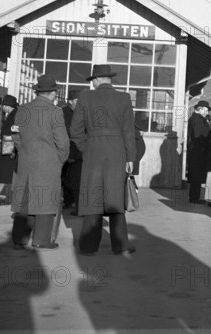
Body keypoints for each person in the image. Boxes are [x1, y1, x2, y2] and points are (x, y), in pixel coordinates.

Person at [70, 64, 136, 256]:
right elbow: (128, 132)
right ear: (109, 79)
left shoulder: (85, 97)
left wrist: (86, 148)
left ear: (96, 80)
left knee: (93, 198)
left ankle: (89, 247)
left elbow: (75, 130)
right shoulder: (124, 98)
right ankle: (121, 246)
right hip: (117, 153)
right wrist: (130, 157)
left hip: (93, 152)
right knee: (115, 197)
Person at [11, 75, 70, 249]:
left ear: (38, 92)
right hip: (48, 163)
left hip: (26, 161)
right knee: (45, 202)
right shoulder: (55, 111)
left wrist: (24, 151)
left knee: (24, 201)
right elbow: (63, 142)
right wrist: (59, 160)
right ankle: (41, 240)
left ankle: (19, 239)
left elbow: (15, 134)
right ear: (52, 93)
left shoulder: (23, 109)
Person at [0, 94, 19, 202]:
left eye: (3, 105)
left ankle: (8, 196)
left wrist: (10, 150)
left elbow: (14, 132)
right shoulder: (13, 114)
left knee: (7, 172)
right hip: (8, 146)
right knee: (6, 172)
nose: (2, 108)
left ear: (7, 106)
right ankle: (2, 194)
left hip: (9, 148)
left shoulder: (14, 115)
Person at [186, 100, 211, 204]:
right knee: (196, 174)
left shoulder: (196, 119)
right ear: (200, 109)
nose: (207, 112)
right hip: (198, 151)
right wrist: (206, 143)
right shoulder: (197, 120)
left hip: (197, 150)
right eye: (206, 110)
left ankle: (195, 196)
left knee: (196, 174)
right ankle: (194, 198)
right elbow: (198, 135)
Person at [62, 90, 82, 214]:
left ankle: (79, 206)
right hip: (64, 150)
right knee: (64, 179)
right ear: (70, 101)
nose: (79, 103)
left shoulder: (83, 113)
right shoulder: (62, 113)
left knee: (76, 181)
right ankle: (67, 201)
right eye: (76, 101)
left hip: (78, 152)